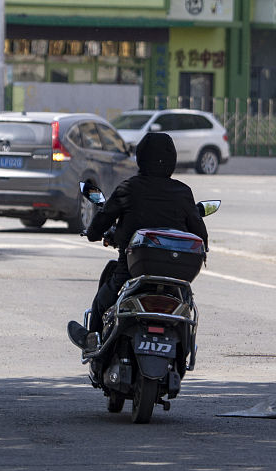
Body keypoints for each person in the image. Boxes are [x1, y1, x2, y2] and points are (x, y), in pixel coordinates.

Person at [67, 132, 207, 352]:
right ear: (172, 159)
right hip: (176, 277)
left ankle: (92, 339)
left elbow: (100, 223)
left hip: (131, 272)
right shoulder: (183, 192)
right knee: (187, 303)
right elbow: (200, 234)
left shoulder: (129, 188)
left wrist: (94, 233)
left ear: (141, 157)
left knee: (104, 299)